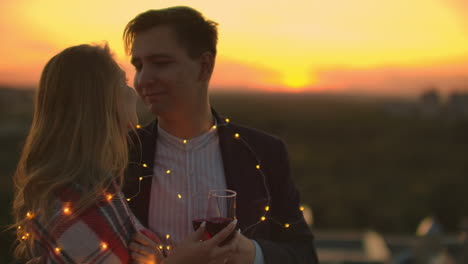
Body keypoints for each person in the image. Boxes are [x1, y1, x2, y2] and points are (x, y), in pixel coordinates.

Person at [122, 6, 319, 264]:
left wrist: (250, 253)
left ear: (204, 67)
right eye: (138, 65)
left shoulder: (265, 153)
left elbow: (303, 255)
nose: (143, 79)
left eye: (160, 63)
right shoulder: (120, 153)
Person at [12, 43, 238, 264]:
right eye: (123, 82)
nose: (133, 91)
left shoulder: (90, 185)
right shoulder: (79, 201)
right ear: (100, 103)